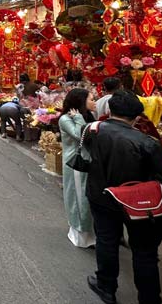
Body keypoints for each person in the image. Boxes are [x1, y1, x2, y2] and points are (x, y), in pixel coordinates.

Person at [85, 90, 162, 304]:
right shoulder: (148, 142)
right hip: (140, 203)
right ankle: (150, 299)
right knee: (144, 253)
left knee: (107, 241)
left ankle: (106, 286)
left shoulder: (92, 130)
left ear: (109, 110)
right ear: (137, 116)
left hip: (102, 196)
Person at [58, 88, 97, 248]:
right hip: (76, 164)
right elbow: (79, 135)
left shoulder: (89, 116)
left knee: (87, 198)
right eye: (92, 99)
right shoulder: (66, 119)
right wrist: (80, 118)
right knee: (78, 197)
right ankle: (80, 233)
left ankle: (90, 233)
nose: (95, 102)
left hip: (88, 163)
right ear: (81, 101)